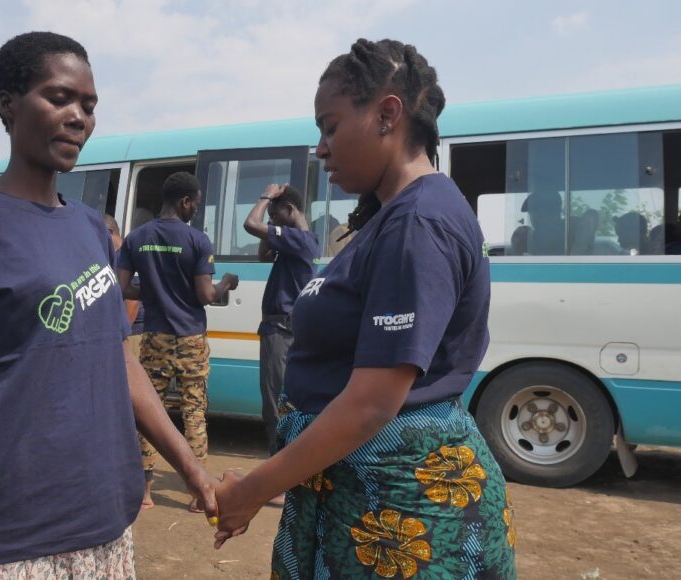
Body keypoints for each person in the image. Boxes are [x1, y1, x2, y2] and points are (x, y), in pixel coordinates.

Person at [0, 32, 218, 580]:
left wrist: (192, 470)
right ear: (7, 103)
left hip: (105, 520)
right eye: (60, 98)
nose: (79, 118)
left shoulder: (91, 227)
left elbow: (121, 360)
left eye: (88, 106)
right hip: (16, 531)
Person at [213, 38, 516, 579]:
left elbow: (372, 405)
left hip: (400, 518)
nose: (321, 148)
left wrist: (253, 491)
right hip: (367, 501)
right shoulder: (393, 217)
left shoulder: (418, 222)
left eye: (329, 127)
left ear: (387, 114)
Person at [117, 171, 239, 511]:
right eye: (195, 205)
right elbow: (204, 294)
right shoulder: (198, 241)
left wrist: (153, 291)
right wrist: (226, 282)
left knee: (148, 412)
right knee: (193, 411)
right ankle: (196, 494)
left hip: (155, 337)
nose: (195, 211)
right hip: (191, 341)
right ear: (185, 202)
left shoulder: (137, 238)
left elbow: (123, 286)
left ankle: (145, 492)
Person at [241, 184, 318, 475]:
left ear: (290, 211)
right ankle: (285, 469)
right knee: (280, 401)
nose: (270, 222)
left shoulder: (299, 239)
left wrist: (264, 197)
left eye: (276, 215)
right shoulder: (295, 242)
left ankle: (280, 473)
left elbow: (250, 224)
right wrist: (272, 227)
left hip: (282, 332)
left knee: (276, 404)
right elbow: (263, 255)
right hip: (280, 329)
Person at [104, 214, 144, 359]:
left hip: (131, 335)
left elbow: (132, 302)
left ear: (109, 233)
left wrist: (120, 338)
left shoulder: (124, 256)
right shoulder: (117, 256)